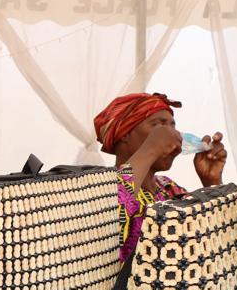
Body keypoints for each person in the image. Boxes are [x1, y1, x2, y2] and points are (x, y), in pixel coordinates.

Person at [93, 92, 228, 262]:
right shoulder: (100, 187)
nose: (172, 134)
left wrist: (212, 183)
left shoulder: (170, 189)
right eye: (158, 126)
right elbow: (108, 219)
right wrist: (151, 149)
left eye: (173, 126)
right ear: (125, 134)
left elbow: (218, 241)